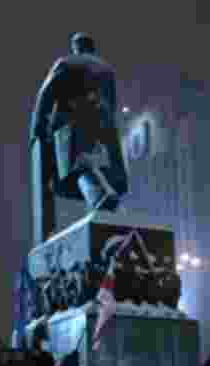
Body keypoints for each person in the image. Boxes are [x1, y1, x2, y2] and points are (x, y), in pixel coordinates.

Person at [29, 31, 128, 235]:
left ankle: (100, 196)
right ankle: (101, 200)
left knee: (75, 166)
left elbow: (46, 93)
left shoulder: (66, 63)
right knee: (88, 165)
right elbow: (112, 101)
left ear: (76, 47)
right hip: (102, 123)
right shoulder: (107, 69)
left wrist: (38, 125)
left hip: (73, 120)